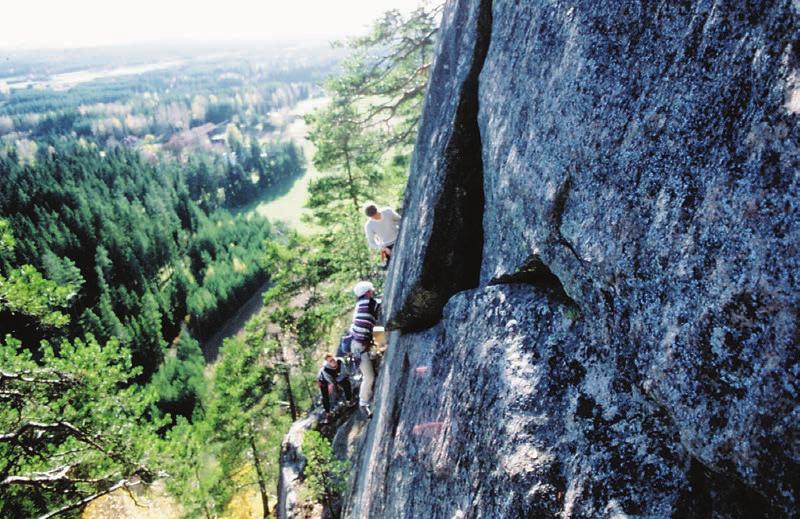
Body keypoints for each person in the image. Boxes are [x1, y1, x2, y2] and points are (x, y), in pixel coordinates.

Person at [350, 280, 380, 417]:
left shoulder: (359, 305)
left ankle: (375, 354)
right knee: (369, 377)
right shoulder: (371, 303)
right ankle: (363, 403)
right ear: (368, 292)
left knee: (369, 368)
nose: (372, 292)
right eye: (371, 291)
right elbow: (380, 321)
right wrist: (382, 344)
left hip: (356, 344)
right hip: (360, 346)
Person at [317, 354, 354, 420]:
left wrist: (337, 382)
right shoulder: (325, 369)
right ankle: (328, 413)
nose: (333, 362)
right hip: (324, 380)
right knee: (325, 396)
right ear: (328, 363)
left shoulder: (340, 361)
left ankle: (349, 401)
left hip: (336, 376)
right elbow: (330, 381)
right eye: (330, 361)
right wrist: (332, 385)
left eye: (333, 359)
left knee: (346, 383)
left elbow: (344, 373)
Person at [364, 203, 401, 268]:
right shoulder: (369, 225)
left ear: (378, 210)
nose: (376, 217)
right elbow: (371, 242)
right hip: (387, 246)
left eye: (376, 214)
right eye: (373, 217)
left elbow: (399, 219)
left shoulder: (387, 211)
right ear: (370, 217)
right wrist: (384, 248)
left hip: (399, 238)